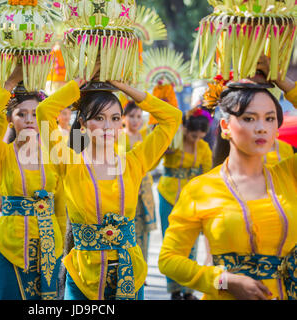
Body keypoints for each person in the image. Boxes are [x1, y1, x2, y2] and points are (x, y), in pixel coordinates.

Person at [36, 66, 182, 300]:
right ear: (82, 123)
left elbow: (172, 117)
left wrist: (123, 87)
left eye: (114, 118)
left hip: (129, 275)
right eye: (99, 118)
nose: (107, 127)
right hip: (83, 277)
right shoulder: (70, 163)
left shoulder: (134, 162)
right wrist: (79, 82)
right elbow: (44, 111)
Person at [158, 77, 297, 300]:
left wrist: (284, 82)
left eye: (269, 119)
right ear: (225, 126)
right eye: (249, 118)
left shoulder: (289, 174)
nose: (261, 128)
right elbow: (168, 258)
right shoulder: (201, 189)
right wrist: (223, 280)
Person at [0, 66, 66, 300]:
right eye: (21, 114)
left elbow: (60, 206)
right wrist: (9, 83)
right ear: (10, 120)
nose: (30, 120)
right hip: (8, 246)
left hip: (50, 249)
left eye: (36, 114)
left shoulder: (56, 154)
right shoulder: (2, 154)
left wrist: (62, 251)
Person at [157, 106, 213, 300]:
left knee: (191, 243)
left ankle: (188, 291)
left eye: (200, 136)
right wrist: (167, 146)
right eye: (193, 135)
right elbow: (156, 156)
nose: (196, 139)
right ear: (186, 129)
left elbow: (207, 174)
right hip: (168, 194)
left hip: (192, 199)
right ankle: (174, 290)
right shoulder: (176, 140)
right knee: (170, 242)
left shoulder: (204, 148)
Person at [119, 101, 157, 274]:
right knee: (128, 228)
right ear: (123, 118)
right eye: (132, 116)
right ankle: (128, 269)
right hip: (126, 187)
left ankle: (142, 270)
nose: (135, 121)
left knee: (143, 231)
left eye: (139, 117)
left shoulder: (145, 136)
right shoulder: (119, 137)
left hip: (145, 188)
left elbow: (153, 162)